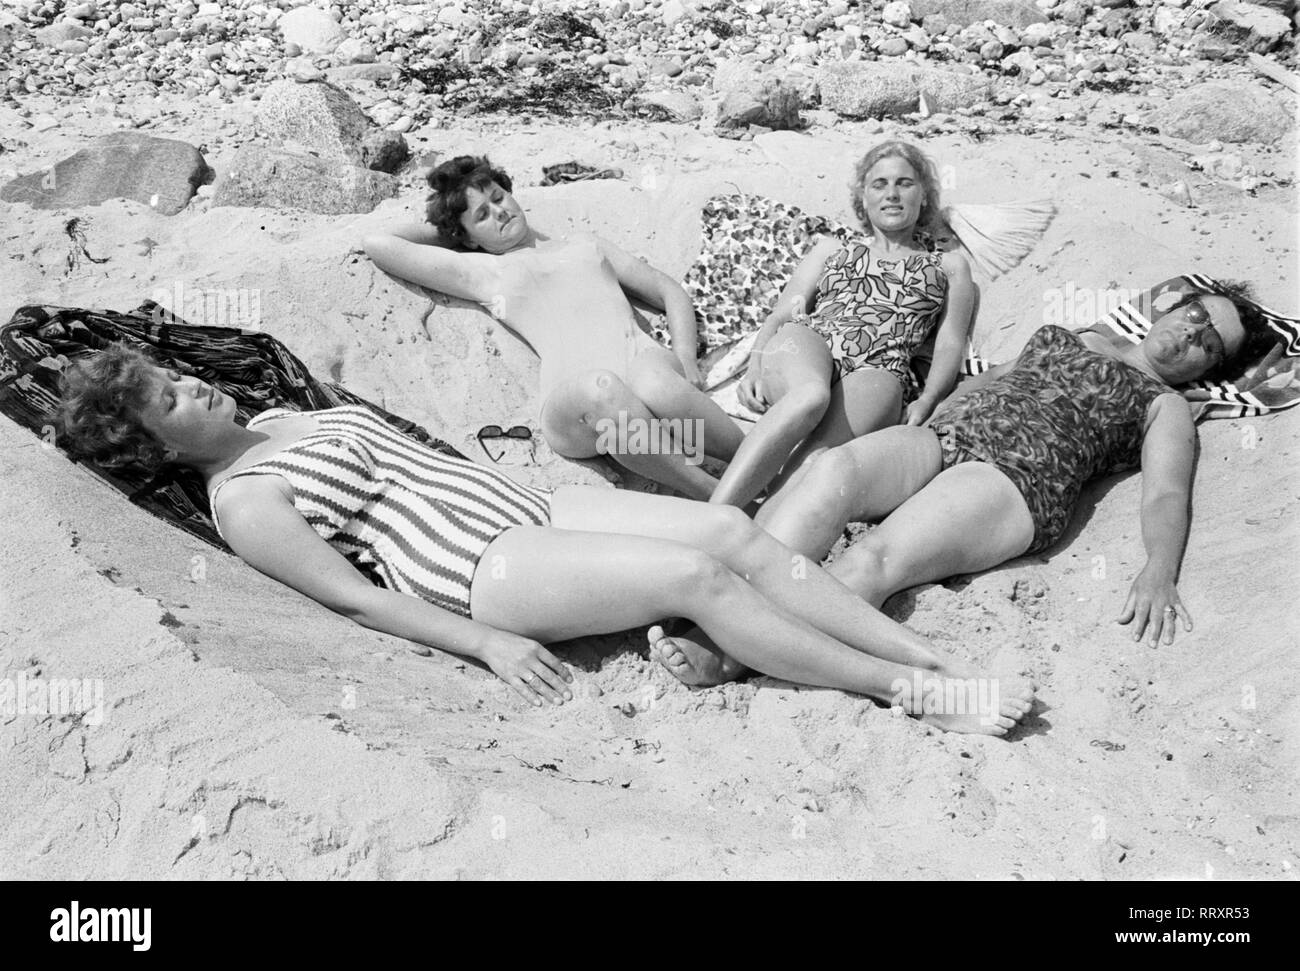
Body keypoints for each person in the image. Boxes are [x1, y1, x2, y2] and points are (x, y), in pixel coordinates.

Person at [55, 343, 1036, 736]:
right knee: (698, 574)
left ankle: (925, 650)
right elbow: (353, 594)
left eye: (171, 374)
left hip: (523, 505)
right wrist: (487, 641)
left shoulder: (274, 414)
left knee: (733, 526)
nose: (190, 385)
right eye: (168, 399)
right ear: (157, 443)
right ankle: (909, 689)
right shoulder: (245, 497)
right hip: (479, 566)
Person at [741, 284, 1280, 676]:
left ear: (1212, 369)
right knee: (832, 470)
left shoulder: (1166, 406)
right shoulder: (1080, 335)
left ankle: (736, 650)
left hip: (1016, 478)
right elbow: (998, 377)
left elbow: (1165, 493)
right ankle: (735, 589)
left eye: (1210, 342)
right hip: (949, 435)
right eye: (1195, 315)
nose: (1191, 332)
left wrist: (1160, 569)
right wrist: (934, 408)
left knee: (872, 560)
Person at [361, 155, 744, 499]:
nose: (498, 212)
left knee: (653, 382)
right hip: (576, 405)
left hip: (646, 370)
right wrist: (456, 232)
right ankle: (717, 494)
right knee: (604, 390)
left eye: (497, 198)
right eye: (481, 215)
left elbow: (667, 290)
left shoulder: (584, 244)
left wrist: (684, 357)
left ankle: (754, 461)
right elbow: (379, 243)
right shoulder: (487, 272)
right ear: (468, 238)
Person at [710, 140, 976, 508]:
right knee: (810, 396)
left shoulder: (949, 265)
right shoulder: (832, 249)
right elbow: (784, 313)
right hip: (810, 343)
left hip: (882, 367)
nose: (892, 194)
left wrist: (929, 398)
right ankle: (715, 512)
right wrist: (755, 362)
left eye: (905, 183)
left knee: (816, 460)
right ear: (863, 199)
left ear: (925, 196)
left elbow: (950, 342)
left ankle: (756, 526)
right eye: (879, 184)